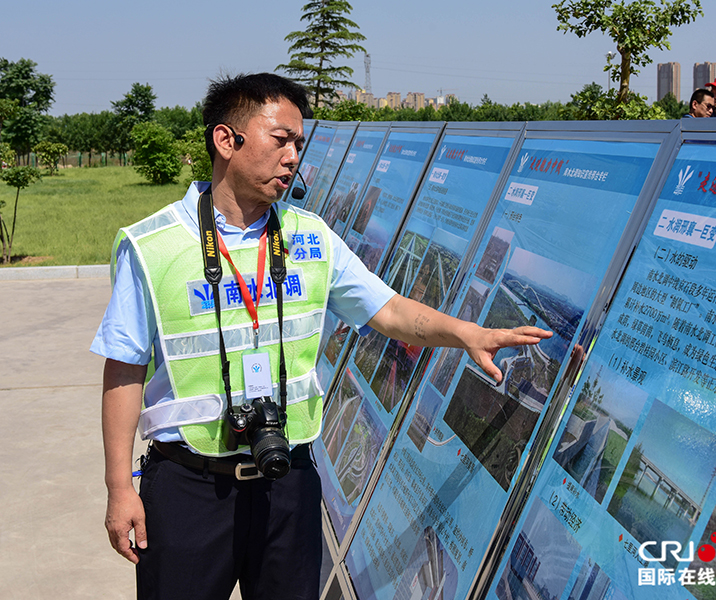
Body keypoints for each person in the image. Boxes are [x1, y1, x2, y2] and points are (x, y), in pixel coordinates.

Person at [92, 72, 552, 600]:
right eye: (279, 139)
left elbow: (390, 312)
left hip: (287, 477)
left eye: (298, 144)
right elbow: (123, 368)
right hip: (189, 487)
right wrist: (119, 488)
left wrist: (466, 332)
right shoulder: (152, 247)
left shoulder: (312, 237)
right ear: (226, 140)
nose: (292, 157)